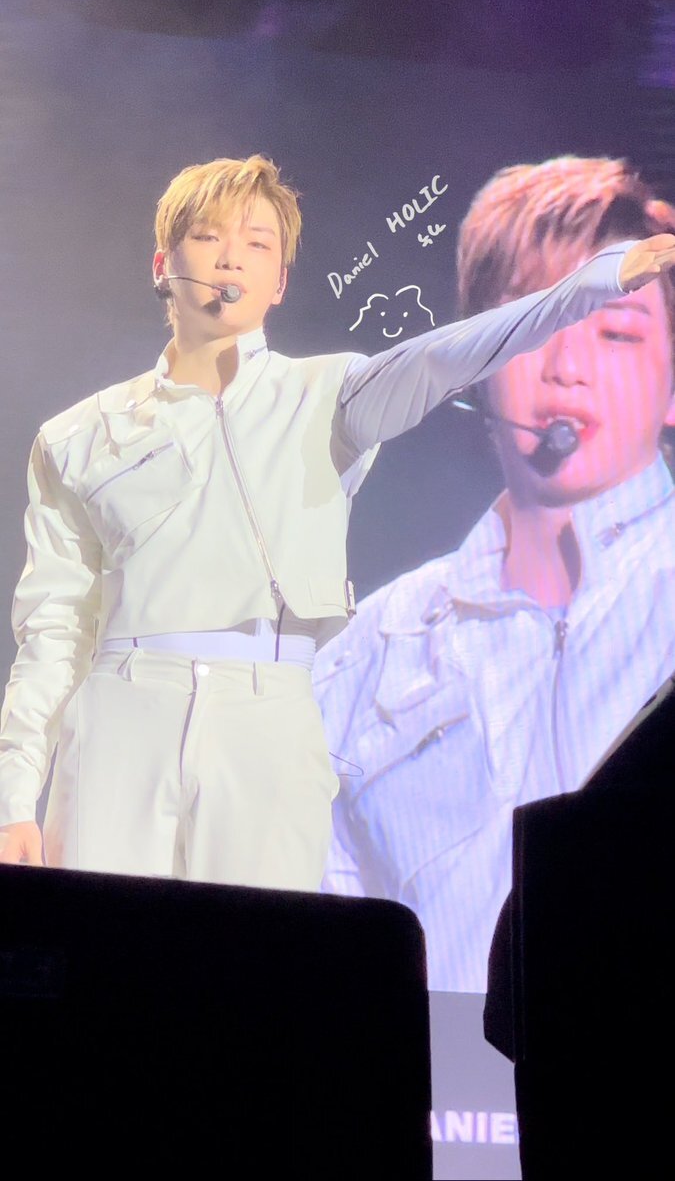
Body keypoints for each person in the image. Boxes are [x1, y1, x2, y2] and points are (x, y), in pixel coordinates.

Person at [0, 154, 672, 889]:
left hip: (267, 715)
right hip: (120, 717)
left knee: (257, 949)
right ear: (163, 264)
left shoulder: (331, 394)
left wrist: (597, 281)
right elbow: (52, 633)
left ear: (280, 280)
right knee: (107, 947)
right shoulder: (76, 437)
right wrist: (12, 800)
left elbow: (449, 356)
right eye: (207, 236)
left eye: (257, 242)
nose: (230, 258)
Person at [314, 155, 675, 991]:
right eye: (532, 326)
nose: (566, 367)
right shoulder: (370, 654)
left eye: (616, 333)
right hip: (437, 1070)